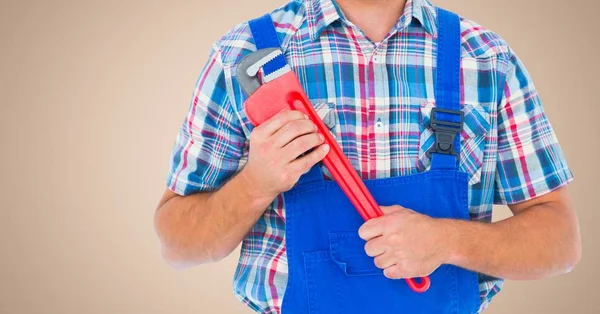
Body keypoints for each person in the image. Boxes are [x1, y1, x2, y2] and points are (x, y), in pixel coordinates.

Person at [153, 0, 581, 313]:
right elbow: (177, 243)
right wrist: (255, 184)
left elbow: (560, 240)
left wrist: (448, 241)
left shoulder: (486, 58)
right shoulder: (240, 56)